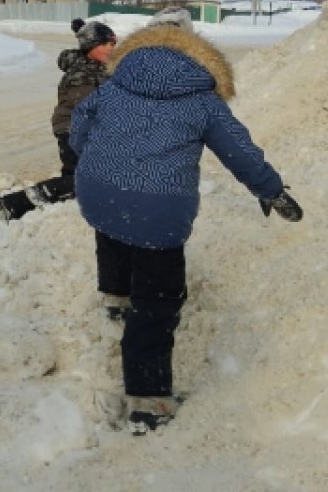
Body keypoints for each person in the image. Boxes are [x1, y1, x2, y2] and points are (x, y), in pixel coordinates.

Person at [70, 23, 302, 434]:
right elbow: (240, 152)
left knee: (114, 232)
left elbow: (78, 130)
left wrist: (100, 160)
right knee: (158, 302)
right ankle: (148, 399)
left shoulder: (114, 85)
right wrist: (271, 190)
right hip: (158, 207)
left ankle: (116, 298)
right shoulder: (203, 101)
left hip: (98, 189)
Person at [0, 19, 116, 221]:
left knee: (77, 178)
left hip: (79, 130)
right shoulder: (82, 74)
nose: (112, 49)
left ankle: (59, 199)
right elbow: (93, 108)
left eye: (113, 44)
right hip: (72, 130)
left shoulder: (96, 65)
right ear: (91, 46)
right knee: (86, 181)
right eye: (106, 44)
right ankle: (14, 204)